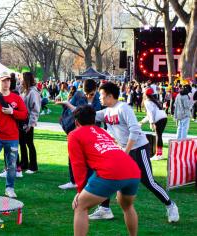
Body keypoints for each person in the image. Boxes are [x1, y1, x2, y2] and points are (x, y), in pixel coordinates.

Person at [91, 82, 179, 223]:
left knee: (148, 181)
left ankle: (170, 205)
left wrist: (125, 152)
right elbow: (88, 114)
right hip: (123, 151)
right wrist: (69, 106)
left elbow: (135, 130)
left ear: (110, 96)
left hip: (138, 149)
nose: (99, 98)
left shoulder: (123, 108)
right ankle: (104, 209)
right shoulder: (106, 111)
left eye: (101, 95)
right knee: (107, 176)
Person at [68, 105, 141, 236]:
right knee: (127, 206)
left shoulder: (74, 134)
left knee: (80, 206)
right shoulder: (102, 131)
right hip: (132, 169)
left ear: (76, 122)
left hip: (111, 172)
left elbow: (78, 165)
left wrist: (80, 191)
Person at [19, 72, 41, 174]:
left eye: (22, 79)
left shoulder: (33, 92)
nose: (21, 80)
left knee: (29, 143)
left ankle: (33, 166)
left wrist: (31, 124)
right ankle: (24, 163)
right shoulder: (25, 91)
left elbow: (35, 109)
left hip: (28, 121)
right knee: (22, 143)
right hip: (22, 120)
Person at [139, 88, 167, 161]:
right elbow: (150, 114)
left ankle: (158, 155)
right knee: (159, 136)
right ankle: (160, 154)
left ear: (145, 94)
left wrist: (152, 123)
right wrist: (142, 121)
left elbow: (151, 113)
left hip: (159, 119)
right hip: (164, 117)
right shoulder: (154, 101)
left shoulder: (147, 101)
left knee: (158, 136)